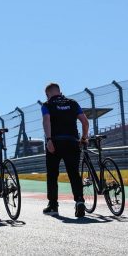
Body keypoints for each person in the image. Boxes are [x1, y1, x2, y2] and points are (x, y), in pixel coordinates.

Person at [41, 83, 89, 217]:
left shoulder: (47, 105)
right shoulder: (72, 103)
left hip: (55, 142)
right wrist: (84, 138)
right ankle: (79, 201)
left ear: (47, 94)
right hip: (72, 141)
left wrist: (49, 139)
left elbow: (46, 120)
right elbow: (85, 122)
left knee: (52, 174)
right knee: (74, 173)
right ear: (60, 91)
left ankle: (53, 205)